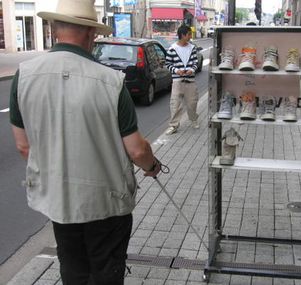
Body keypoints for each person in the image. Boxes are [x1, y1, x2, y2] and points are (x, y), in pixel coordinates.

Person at [9, 0, 161, 284]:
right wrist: (152, 165)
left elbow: (23, 146)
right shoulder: (111, 81)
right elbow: (137, 150)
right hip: (107, 203)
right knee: (106, 271)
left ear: (54, 29)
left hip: (60, 200)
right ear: (91, 34)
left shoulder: (24, 75)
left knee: (73, 268)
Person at [165, 24, 200, 135]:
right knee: (175, 104)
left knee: (192, 103)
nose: (190, 36)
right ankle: (173, 125)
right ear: (183, 35)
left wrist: (191, 70)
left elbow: (195, 62)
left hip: (190, 81)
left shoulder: (192, 48)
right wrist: (176, 71)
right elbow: (168, 64)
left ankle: (193, 120)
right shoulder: (172, 49)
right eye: (189, 34)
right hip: (177, 81)